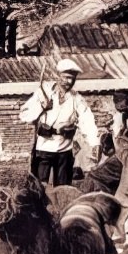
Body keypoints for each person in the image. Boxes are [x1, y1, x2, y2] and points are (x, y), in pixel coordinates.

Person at [19, 58, 98, 187]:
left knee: (63, 187)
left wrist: (94, 142)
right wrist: (42, 107)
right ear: (58, 76)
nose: (69, 81)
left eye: (73, 78)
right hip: (44, 148)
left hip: (64, 149)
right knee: (39, 186)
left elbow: (87, 120)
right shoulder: (44, 92)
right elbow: (24, 115)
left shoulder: (76, 98)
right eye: (66, 77)